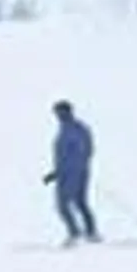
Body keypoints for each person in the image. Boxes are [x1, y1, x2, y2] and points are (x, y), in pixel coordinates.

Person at [46, 99, 100, 245]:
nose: (57, 115)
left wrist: (69, 172)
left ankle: (76, 233)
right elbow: (64, 156)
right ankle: (90, 232)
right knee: (80, 202)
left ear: (68, 111)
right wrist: (55, 173)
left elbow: (82, 152)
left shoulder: (76, 129)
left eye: (60, 112)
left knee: (63, 204)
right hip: (70, 173)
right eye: (56, 113)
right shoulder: (66, 129)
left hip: (73, 174)